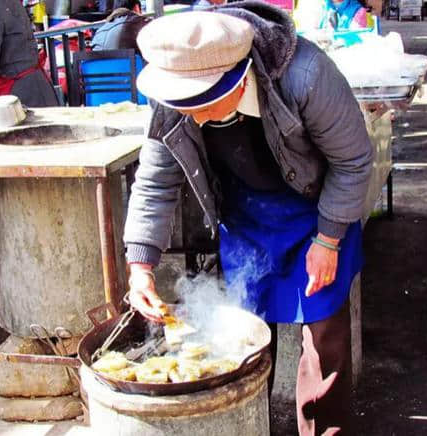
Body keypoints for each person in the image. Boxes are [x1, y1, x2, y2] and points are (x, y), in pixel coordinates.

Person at [123, 4, 372, 435]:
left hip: (318, 210)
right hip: (246, 220)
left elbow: (352, 161)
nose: (192, 117)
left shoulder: (307, 75)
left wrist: (329, 240)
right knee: (244, 339)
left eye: (201, 103)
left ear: (239, 80)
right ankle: (250, 424)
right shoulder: (175, 97)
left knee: (324, 339)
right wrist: (140, 266)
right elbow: (156, 179)